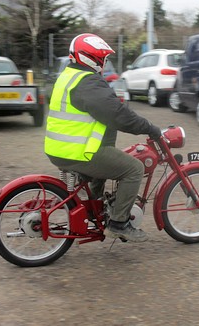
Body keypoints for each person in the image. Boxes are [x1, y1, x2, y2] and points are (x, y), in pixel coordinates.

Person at [44, 33, 162, 243]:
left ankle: (95, 209)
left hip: (61, 147)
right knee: (134, 169)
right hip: (76, 151)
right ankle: (119, 224)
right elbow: (117, 115)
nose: (105, 63)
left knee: (108, 162)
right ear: (93, 59)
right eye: (103, 58)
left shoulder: (68, 76)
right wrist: (149, 127)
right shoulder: (88, 83)